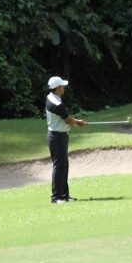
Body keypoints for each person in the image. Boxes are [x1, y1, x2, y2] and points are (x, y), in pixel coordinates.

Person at [46, 76, 86, 204]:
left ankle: (64, 195)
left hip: (59, 135)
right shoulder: (57, 104)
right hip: (57, 137)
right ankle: (56, 197)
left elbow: (66, 117)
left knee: (64, 166)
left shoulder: (52, 97)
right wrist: (78, 122)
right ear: (57, 88)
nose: (64, 88)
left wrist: (75, 121)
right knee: (59, 166)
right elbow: (67, 119)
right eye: (62, 86)